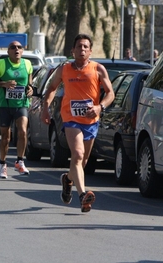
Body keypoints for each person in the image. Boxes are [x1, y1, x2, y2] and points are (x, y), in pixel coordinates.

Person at [41, 33, 115, 212]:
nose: (82, 50)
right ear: (72, 50)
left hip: (91, 120)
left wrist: (100, 107)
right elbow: (51, 88)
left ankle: (68, 180)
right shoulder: (64, 69)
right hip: (71, 118)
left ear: (90, 51)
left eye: (85, 47)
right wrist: (45, 107)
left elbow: (111, 93)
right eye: (79, 46)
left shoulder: (98, 69)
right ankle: (83, 195)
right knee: (78, 154)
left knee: (82, 161)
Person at [0, 41, 34, 179]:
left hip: (22, 104)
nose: (16, 49)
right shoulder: (2, 64)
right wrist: (4, 84)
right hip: (5, 105)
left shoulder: (27, 64)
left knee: (23, 131)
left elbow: (29, 83)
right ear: (8, 51)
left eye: (19, 47)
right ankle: (2, 164)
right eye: (13, 47)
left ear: (23, 51)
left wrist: (30, 89)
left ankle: (20, 161)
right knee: (5, 138)